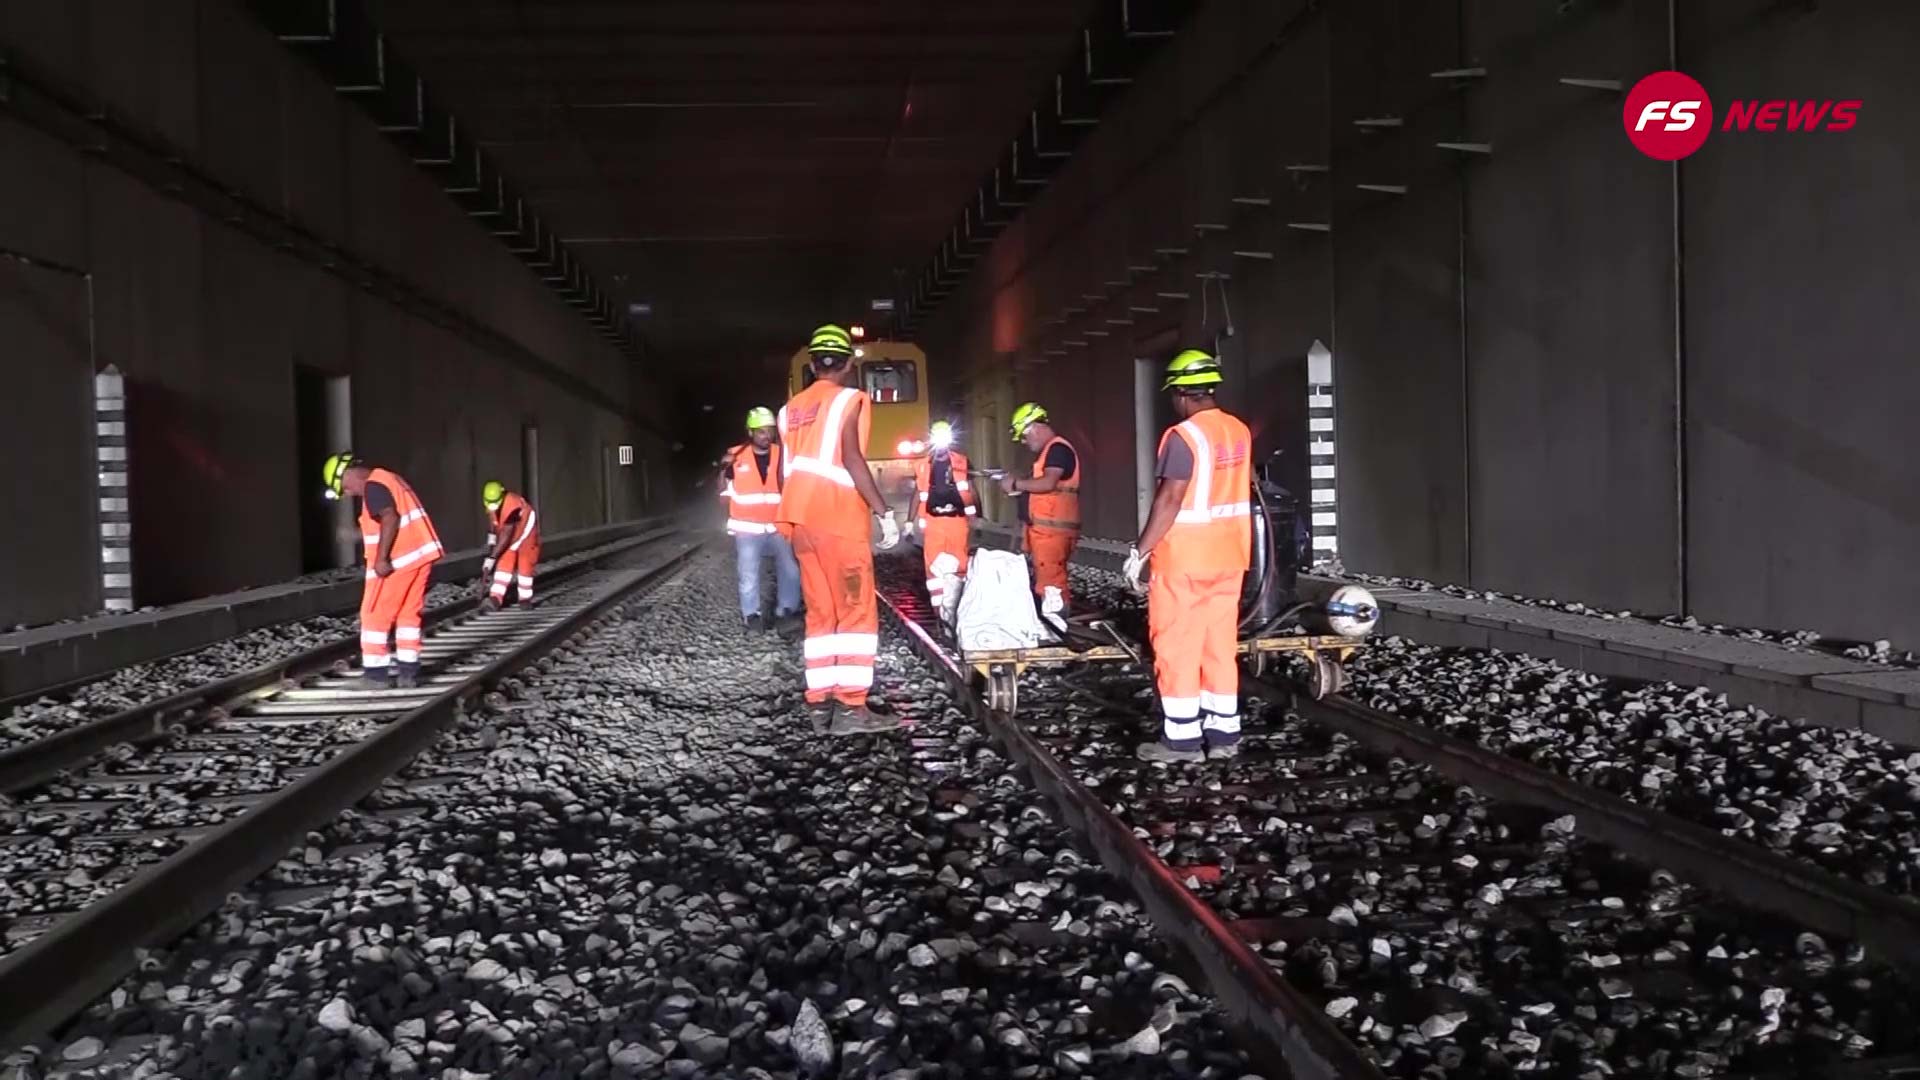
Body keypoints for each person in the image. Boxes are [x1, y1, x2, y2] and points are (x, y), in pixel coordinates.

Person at [1123, 350, 1253, 763]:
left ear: (1181, 392)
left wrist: (1139, 551)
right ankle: (1223, 734)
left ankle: (1180, 742)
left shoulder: (1184, 436)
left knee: (1177, 645)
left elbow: (1171, 497)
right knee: (1218, 644)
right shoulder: (1238, 430)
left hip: (1185, 560)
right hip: (1230, 556)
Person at [777, 324, 903, 734]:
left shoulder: (790, 409)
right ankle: (850, 707)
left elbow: (789, 470)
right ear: (849, 364)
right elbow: (851, 458)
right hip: (837, 519)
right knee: (855, 611)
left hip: (799, 520)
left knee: (821, 613)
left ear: (813, 364)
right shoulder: (848, 399)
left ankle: (820, 705)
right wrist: (883, 512)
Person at [322, 453, 444, 689]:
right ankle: (409, 672)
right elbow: (385, 522)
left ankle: (376, 675)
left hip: (399, 561)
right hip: (418, 556)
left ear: (346, 474)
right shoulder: (390, 479)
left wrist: (381, 559)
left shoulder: (373, 487)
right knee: (408, 615)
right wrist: (355, 535)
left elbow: (390, 517)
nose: (348, 493)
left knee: (374, 614)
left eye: (344, 487)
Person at [721, 406, 802, 632]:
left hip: (778, 525)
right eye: (761, 431)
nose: (767, 436)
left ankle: (786, 610)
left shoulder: (783, 454)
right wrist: (723, 468)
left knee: (790, 569)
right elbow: (721, 492)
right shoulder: (735, 457)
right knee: (748, 573)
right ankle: (752, 616)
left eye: (770, 431)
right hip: (747, 528)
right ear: (750, 432)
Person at [1001, 402, 1080, 613]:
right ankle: (1053, 625)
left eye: (1024, 437)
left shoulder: (1057, 449)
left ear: (1034, 427)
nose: (1024, 442)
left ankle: (1057, 630)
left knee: (1052, 586)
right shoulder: (1052, 451)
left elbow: (1048, 483)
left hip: (1052, 532)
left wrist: (1016, 484)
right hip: (1047, 531)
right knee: (1048, 583)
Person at [912, 420, 976, 621]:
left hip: (957, 521)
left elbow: (971, 490)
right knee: (934, 570)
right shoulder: (922, 465)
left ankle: (958, 609)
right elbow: (917, 493)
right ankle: (940, 613)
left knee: (960, 566)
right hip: (934, 522)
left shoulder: (961, 461)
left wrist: (976, 515)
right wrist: (908, 521)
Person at [480, 480, 540, 609]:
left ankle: (525, 599)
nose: (491, 506)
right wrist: (491, 538)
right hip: (509, 533)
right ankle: (496, 598)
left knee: (525, 562)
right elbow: (493, 519)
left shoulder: (512, 505)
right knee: (504, 562)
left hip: (526, 529)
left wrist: (492, 557)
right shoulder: (493, 502)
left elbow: (506, 536)